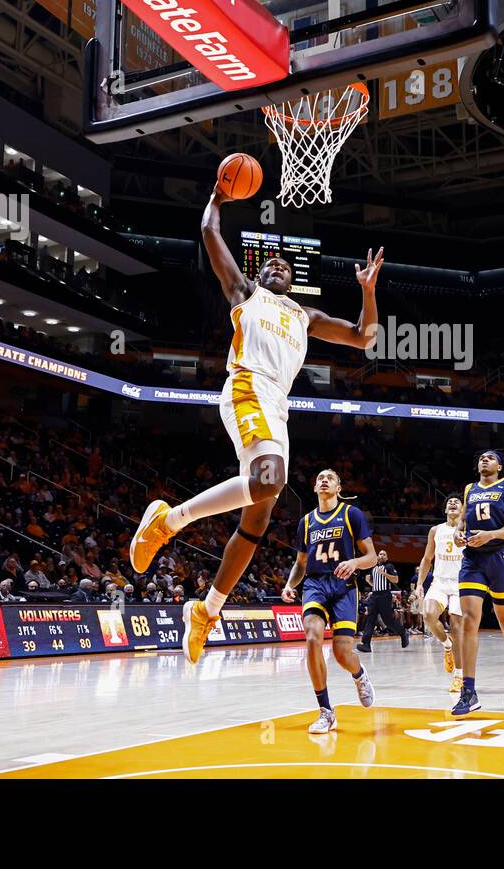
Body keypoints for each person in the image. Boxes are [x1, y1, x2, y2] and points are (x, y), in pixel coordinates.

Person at [128, 181, 384, 664]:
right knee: (271, 479)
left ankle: (206, 611)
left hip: (277, 406)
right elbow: (208, 231)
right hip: (247, 386)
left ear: (295, 279)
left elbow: (364, 337)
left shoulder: (305, 315)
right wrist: (217, 199)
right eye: (270, 263)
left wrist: (368, 292)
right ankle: (168, 521)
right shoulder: (245, 293)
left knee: (257, 519)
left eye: (284, 265)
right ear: (258, 274)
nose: (278, 266)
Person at [280, 469, 376, 734]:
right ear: (314, 488)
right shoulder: (306, 522)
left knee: (342, 654)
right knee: (312, 637)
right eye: (319, 477)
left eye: (329, 478)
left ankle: (359, 674)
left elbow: (371, 557)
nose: (323, 480)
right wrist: (290, 584)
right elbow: (300, 563)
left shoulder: (351, 514)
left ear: (338, 487)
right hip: (315, 584)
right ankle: (325, 710)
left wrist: (354, 562)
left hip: (344, 587)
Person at [451, 450, 504, 716]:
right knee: (469, 619)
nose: (484, 459)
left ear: (499, 466)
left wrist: (491, 535)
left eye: (490, 457)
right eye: (481, 457)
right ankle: (468, 692)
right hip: (472, 559)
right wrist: (459, 535)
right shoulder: (469, 489)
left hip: (499, 557)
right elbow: (461, 523)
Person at [414, 496, 466, 693]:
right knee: (427, 615)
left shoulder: (467, 530)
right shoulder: (436, 530)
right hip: (440, 582)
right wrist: (419, 584)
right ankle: (446, 646)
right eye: (449, 502)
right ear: (445, 510)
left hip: (461, 584)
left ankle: (459, 676)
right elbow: (427, 558)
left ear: (462, 510)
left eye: (457, 502)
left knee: (457, 629)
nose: (452, 504)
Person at [357, 551, 408, 651]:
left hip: (385, 595)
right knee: (370, 618)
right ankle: (366, 644)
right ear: (377, 556)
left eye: (384, 554)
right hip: (374, 595)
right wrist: (369, 581)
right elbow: (374, 584)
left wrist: (384, 574)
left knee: (388, 621)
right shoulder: (374, 568)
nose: (382, 555)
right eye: (380, 554)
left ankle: (403, 632)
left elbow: (396, 580)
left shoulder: (389, 566)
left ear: (387, 557)